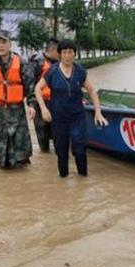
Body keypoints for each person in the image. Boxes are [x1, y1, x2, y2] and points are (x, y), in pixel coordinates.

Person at [33, 39, 108, 177]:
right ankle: (63, 179)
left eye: (70, 52)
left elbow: (92, 91)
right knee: (61, 151)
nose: (68, 55)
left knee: (79, 149)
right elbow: (38, 88)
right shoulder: (52, 71)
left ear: (74, 54)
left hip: (77, 118)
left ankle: (82, 178)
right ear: (60, 54)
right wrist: (43, 109)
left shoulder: (79, 71)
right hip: (58, 118)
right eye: (65, 52)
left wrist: (98, 112)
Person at [0, 30, 36, 168]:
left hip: (17, 112)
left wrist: (32, 105)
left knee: (20, 149)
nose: (1, 46)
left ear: (10, 44)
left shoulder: (21, 63)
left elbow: (30, 87)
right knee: (1, 151)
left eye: (4, 42)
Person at [28, 38, 59, 152]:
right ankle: (45, 152)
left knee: (58, 132)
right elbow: (30, 83)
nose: (61, 55)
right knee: (42, 132)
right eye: (59, 52)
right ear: (52, 50)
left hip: (56, 102)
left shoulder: (58, 62)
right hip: (40, 102)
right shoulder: (36, 62)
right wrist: (32, 103)